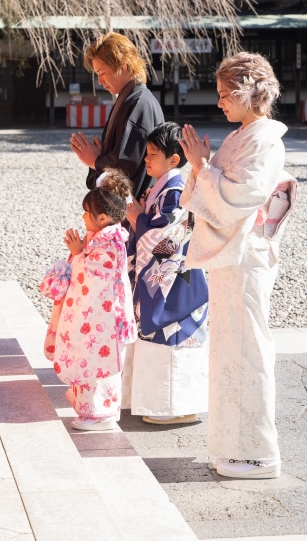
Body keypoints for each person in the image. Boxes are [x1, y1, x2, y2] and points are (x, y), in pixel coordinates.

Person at [179, 52, 297, 480]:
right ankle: (233, 445)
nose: (220, 102)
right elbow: (210, 191)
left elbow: (242, 196)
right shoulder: (241, 136)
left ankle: (259, 453)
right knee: (230, 349)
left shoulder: (266, 140)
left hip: (247, 255)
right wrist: (201, 167)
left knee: (248, 348)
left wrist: (200, 166)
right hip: (232, 256)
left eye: (226, 94)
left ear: (250, 92)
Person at [121, 122, 209, 425]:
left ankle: (173, 408)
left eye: (153, 154)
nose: (146, 159)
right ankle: (161, 404)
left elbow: (167, 237)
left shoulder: (174, 191)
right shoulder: (162, 188)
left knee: (171, 336)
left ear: (173, 159)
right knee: (158, 339)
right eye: (147, 153)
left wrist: (138, 218)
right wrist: (141, 216)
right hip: (162, 278)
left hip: (174, 282)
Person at [40, 168, 137, 431]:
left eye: (86, 212)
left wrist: (78, 254)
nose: (83, 217)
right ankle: (90, 410)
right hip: (97, 317)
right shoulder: (102, 237)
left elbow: (94, 278)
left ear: (102, 217)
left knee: (99, 363)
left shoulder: (110, 243)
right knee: (88, 358)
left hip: (105, 319)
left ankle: (102, 414)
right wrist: (81, 252)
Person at [70, 33, 164, 201]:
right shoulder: (131, 98)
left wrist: (96, 160)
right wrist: (101, 154)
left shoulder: (139, 103)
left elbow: (126, 164)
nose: (99, 81)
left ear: (123, 66)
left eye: (102, 73)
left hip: (136, 206)